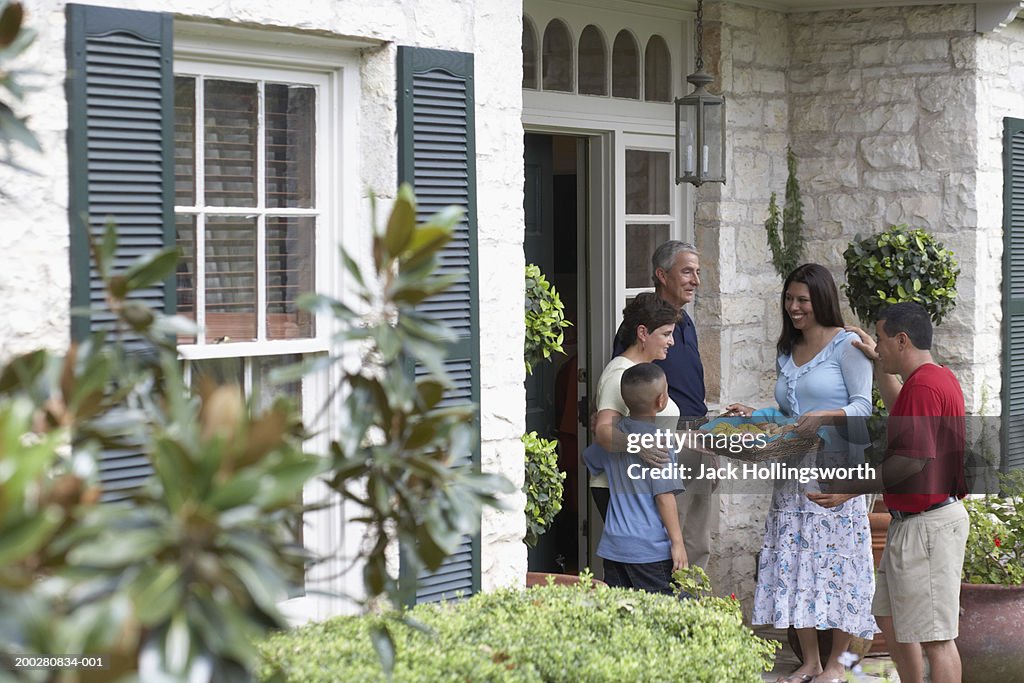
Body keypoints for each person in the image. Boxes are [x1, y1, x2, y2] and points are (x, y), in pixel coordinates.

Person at [726, 263, 876, 683]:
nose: (793, 307)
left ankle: (836, 665)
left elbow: (864, 406)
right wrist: (755, 413)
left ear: (821, 300)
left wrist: (826, 414)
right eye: (789, 299)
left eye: (802, 300)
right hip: (793, 471)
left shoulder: (847, 345)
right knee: (796, 562)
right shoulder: (787, 350)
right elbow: (790, 416)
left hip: (838, 471)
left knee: (841, 564)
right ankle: (809, 660)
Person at [830, 302, 968, 683]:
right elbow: (899, 410)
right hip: (913, 524)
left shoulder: (924, 386)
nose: (879, 345)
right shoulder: (931, 380)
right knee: (890, 617)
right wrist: (877, 362)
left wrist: (849, 489)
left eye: (882, 339)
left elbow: (911, 461)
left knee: (937, 638)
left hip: (928, 525)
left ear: (902, 340)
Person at [612, 240, 716, 570]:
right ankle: (669, 612)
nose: (695, 281)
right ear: (662, 275)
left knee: (698, 538)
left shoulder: (686, 324)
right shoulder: (639, 329)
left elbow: (690, 388)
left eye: (697, 272)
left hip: (699, 435)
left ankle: (695, 615)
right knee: (669, 540)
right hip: (666, 440)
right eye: (687, 272)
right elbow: (625, 391)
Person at [583, 362, 687, 593]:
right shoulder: (660, 440)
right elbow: (664, 497)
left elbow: (588, 459)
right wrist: (678, 544)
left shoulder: (614, 436)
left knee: (621, 613)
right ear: (662, 401)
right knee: (666, 612)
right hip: (650, 550)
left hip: (614, 545)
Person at [592, 292, 681, 520]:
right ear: (643, 333)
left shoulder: (643, 372)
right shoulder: (619, 374)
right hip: (623, 490)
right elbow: (602, 431)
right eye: (666, 334)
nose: (671, 341)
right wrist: (639, 446)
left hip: (644, 486)